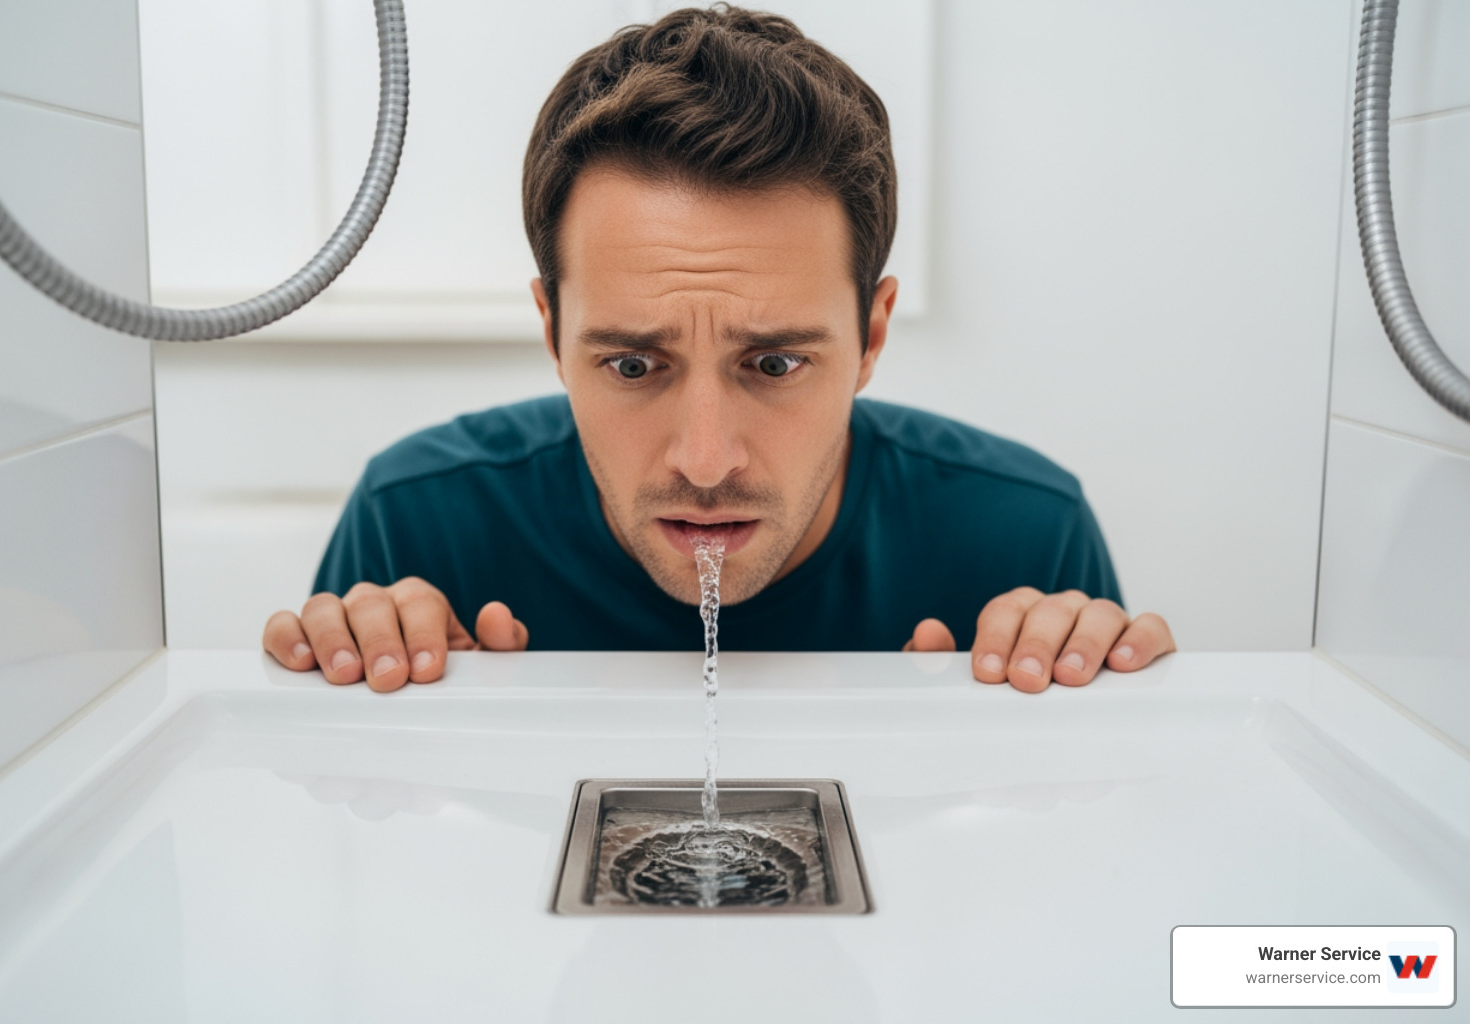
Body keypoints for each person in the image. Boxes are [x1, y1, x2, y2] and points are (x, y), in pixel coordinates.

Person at [262, 5, 1174, 694]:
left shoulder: (1024, 536)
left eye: (774, 364)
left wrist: (1031, 759)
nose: (705, 462)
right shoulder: (419, 524)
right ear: (551, 331)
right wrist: (407, 728)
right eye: (632, 365)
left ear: (872, 336)